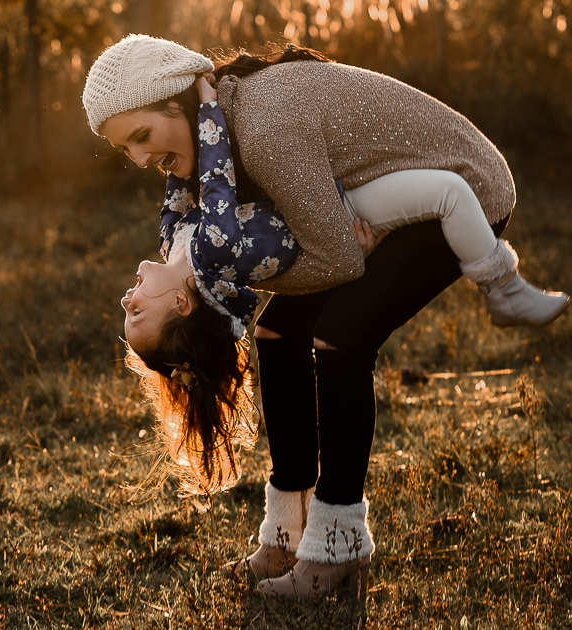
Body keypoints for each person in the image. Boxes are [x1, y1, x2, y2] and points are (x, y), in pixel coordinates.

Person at [81, 34, 570, 599]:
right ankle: (287, 532)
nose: (140, 160)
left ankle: (337, 550)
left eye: (142, 137)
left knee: (340, 338)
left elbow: (337, 258)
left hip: (462, 192)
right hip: (371, 201)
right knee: (276, 330)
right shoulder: (220, 133)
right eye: (125, 149)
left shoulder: (262, 130)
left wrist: (309, 256)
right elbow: (305, 246)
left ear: (180, 102)